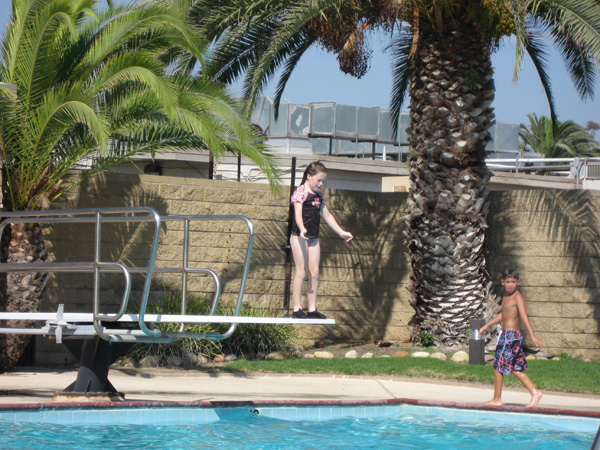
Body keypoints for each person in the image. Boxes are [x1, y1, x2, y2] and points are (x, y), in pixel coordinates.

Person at [290, 161, 353, 319]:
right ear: (309, 176)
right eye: (319, 180)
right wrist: (302, 228)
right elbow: (297, 214)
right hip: (299, 236)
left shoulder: (319, 196)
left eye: (323, 181)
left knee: (315, 272)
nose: (321, 184)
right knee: (301, 271)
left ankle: (312, 309)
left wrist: (341, 232)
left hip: (313, 238)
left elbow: (328, 216)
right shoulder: (300, 192)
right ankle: (297, 309)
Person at [480, 268, 543, 408]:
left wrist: (532, 335)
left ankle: (497, 399)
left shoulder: (517, 297)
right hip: (506, 335)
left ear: (518, 283)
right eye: (508, 282)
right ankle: (535, 392)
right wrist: (488, 325)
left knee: (498, 365)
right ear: (502, 282)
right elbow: (504, 314)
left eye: (513, 282)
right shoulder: (505, 295)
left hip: (511, 336)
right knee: (514, 367)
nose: (510, 285)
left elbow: (524, 316)